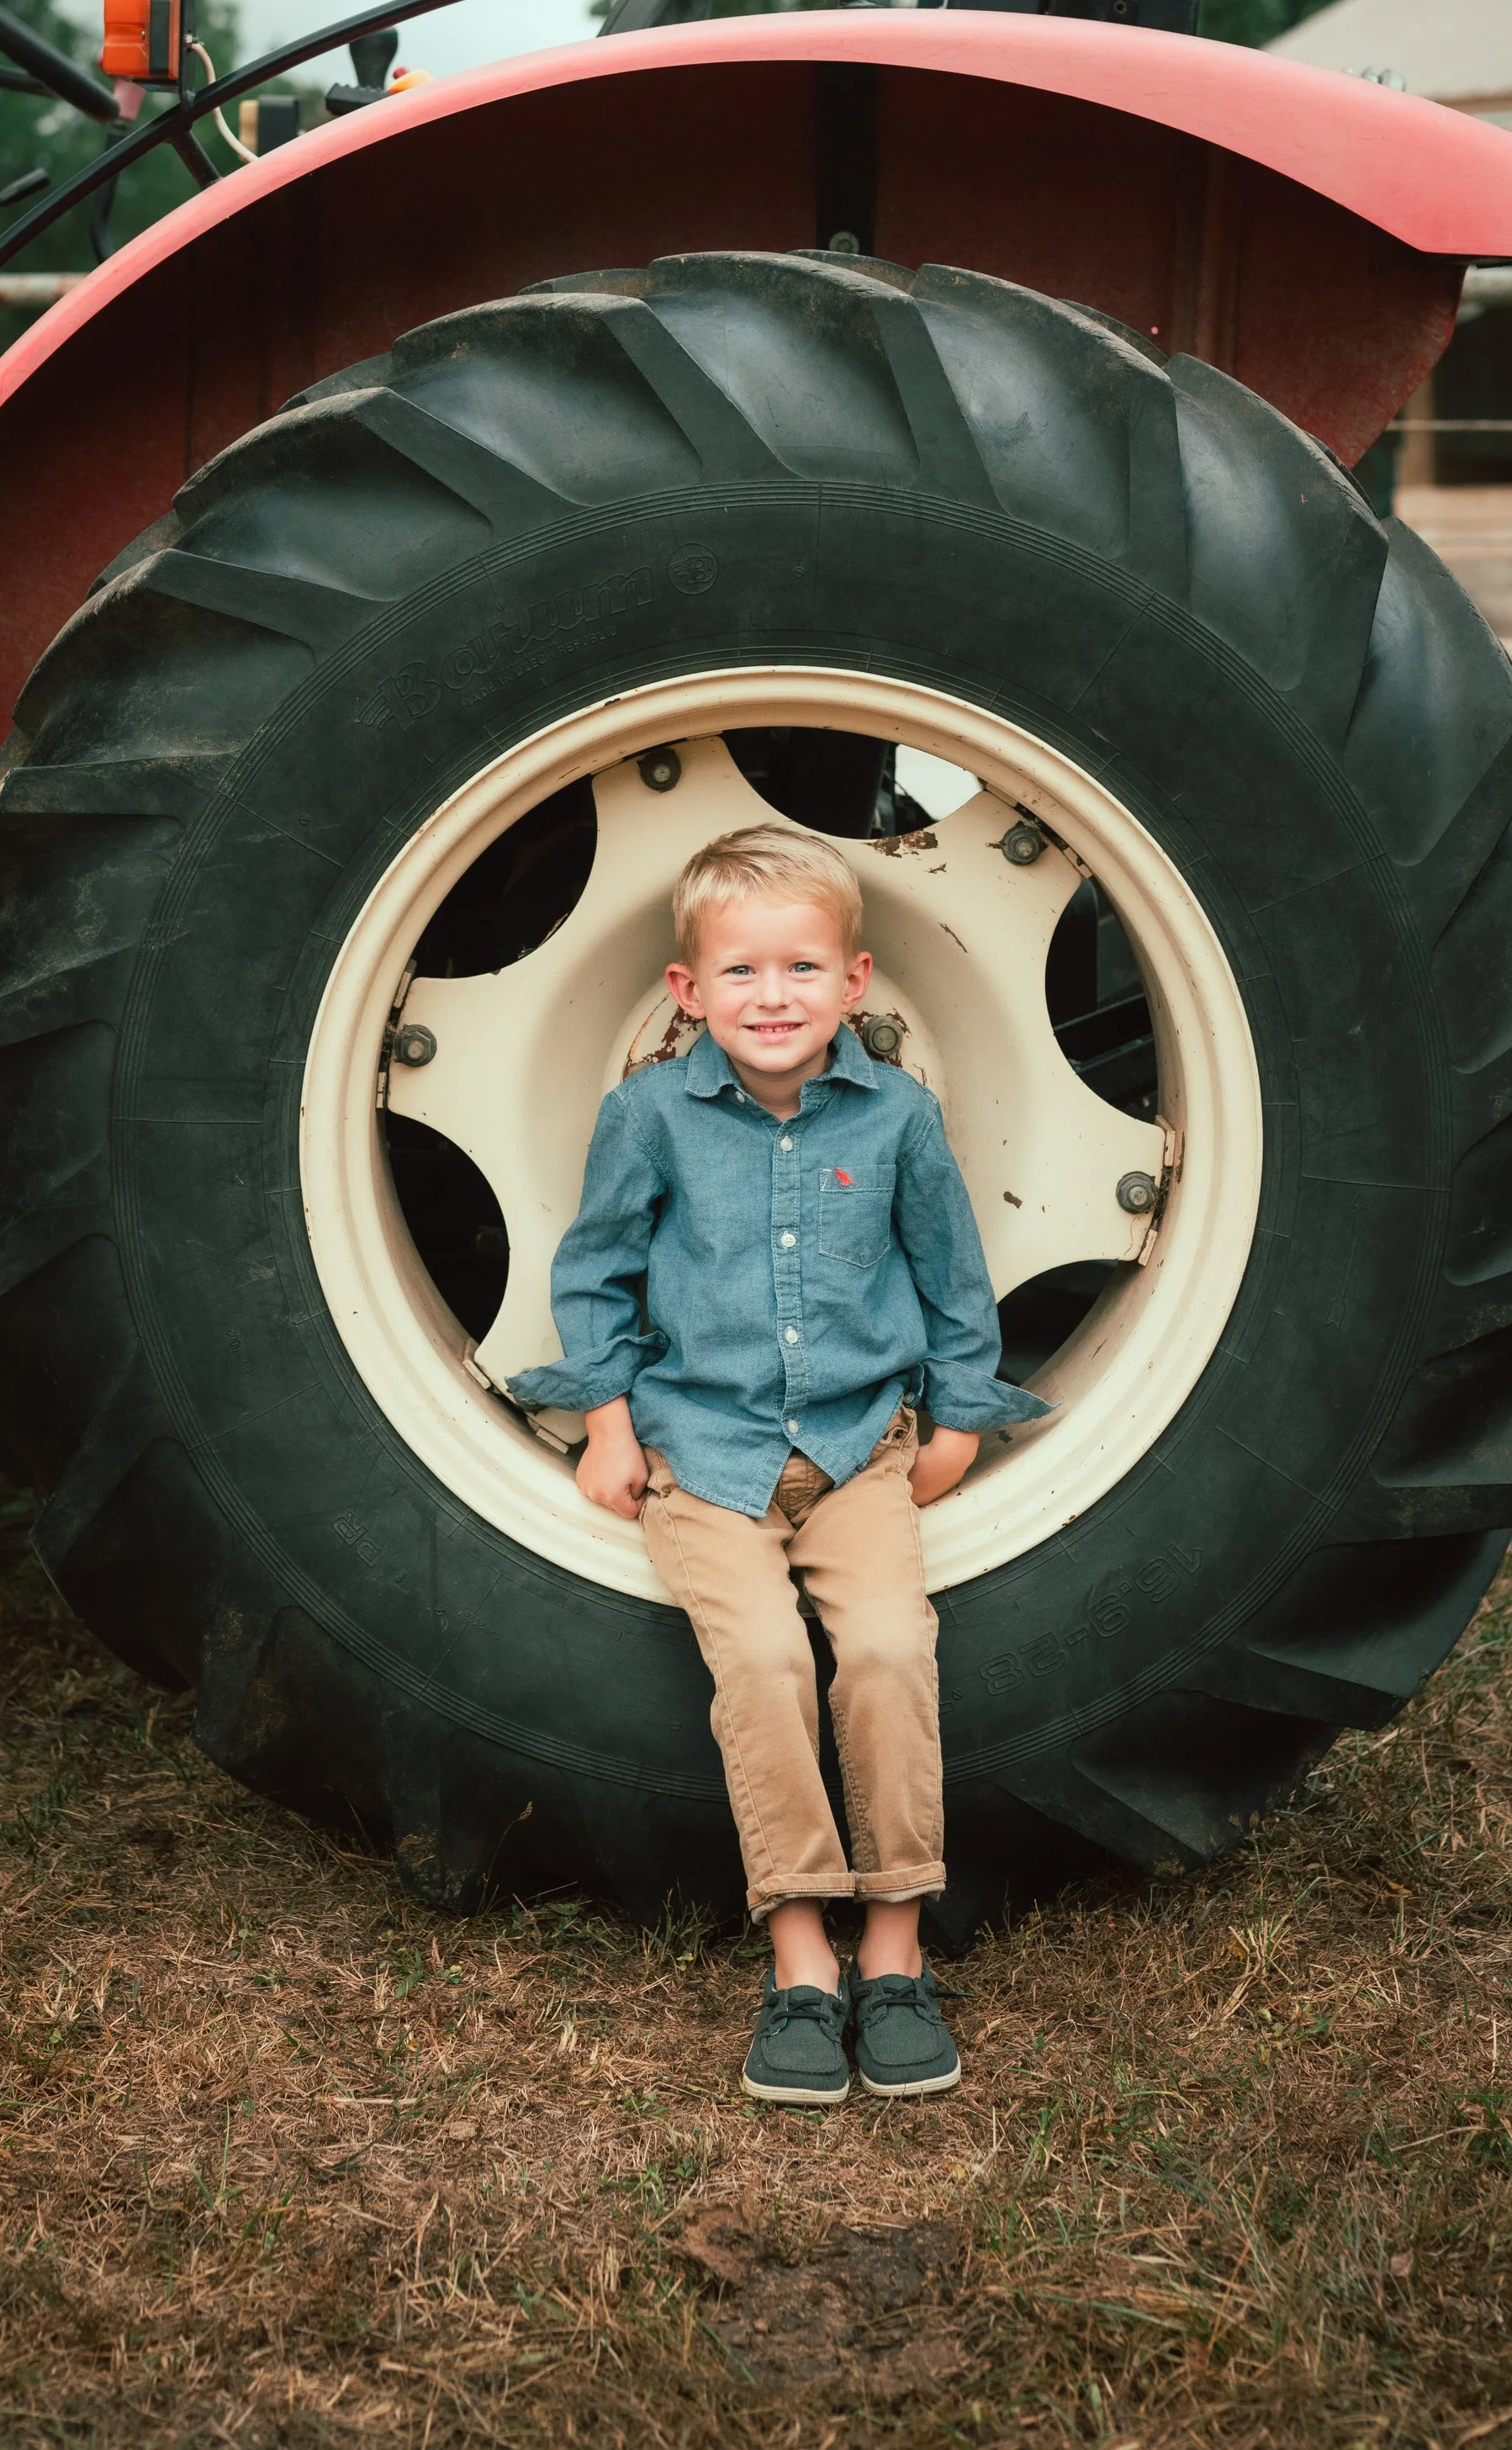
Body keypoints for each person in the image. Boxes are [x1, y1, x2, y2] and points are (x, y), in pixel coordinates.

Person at [510, 819, 1044, 2105]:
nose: (774, 997)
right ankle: (802, 1957)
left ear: (855, 983)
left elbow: (951, 1273)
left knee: (885, 1650)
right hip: (704, 1449)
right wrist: (611, 1422)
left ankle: (897, 1949)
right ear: (687, 993)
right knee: (756, 1656)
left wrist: (960, 1418)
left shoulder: (902, 1115)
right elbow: (596, 1273)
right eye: (741, 973)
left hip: (862, 1451)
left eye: (802, 969)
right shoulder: (647, 1116)